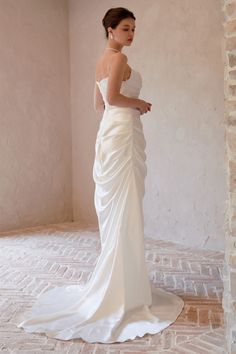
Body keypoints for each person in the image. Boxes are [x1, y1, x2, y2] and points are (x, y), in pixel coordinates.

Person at [16, 7, 184, 343]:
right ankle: (125, 290)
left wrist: (124, 106)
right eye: (125, 28)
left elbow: (98, 106)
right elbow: (112, 98)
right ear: (110, 30)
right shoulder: (118, 60)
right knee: (126, 204)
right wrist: (140, 103)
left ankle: (120, 281)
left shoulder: (100, 61)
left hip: (111, 130)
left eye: (134, 28)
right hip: (122, 132)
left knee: (120, 207)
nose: (131, 34)